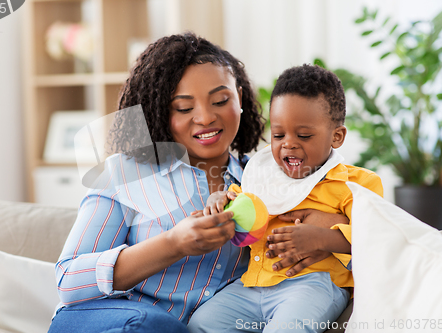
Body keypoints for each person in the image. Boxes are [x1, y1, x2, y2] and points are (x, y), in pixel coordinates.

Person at [47, 34, 348, 333]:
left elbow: (340, 231)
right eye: (183, 107)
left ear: (239, 98)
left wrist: (326, 234)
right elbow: (68, 280)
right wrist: (173, 244)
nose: (205, 117)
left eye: (220, 100)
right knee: (151, 326)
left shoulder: (265, 181)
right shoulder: (123, 173)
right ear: (161, 112)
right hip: (117, 324)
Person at [187, 64, 384, 333]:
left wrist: (320, 238)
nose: (288, 144)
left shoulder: (358, 183)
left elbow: (377, 241)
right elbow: (245, 205)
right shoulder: (263, 175)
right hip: (253, 285)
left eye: (303, 135)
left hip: (315, 284)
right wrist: (220, 200)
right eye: (278, 135)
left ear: (336, 137)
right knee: (203, 323)